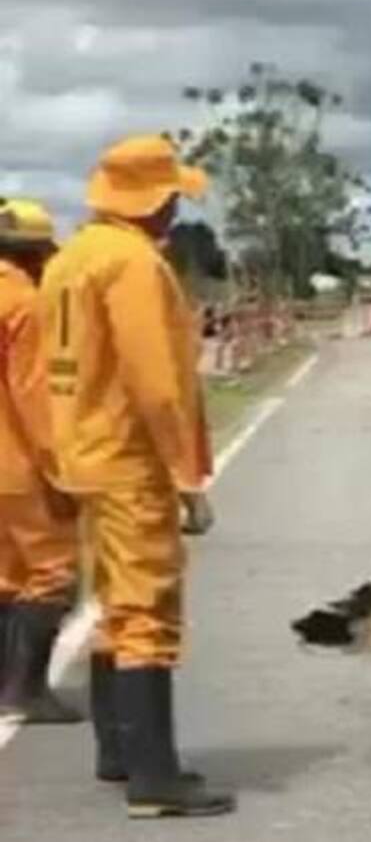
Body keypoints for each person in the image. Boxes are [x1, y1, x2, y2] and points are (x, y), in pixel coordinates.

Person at [39, 135, 233, 818]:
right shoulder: (134, 267)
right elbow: (157, 384)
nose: (177, 206)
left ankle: (117, 751)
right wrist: (187, 474)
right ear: (154, 199)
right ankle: (156, 775)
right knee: (148, 607)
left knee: (113, 605)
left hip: (83, 454)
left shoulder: (71, 259)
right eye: (172, 194)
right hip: (129, 459)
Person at [0, 198, 81, 724]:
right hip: (15, 464)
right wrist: (62, 469)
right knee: (53, 574)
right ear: (33, 254)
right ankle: (26, 690)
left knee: (5, 576)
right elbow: (34, 395)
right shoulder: (24, 304)